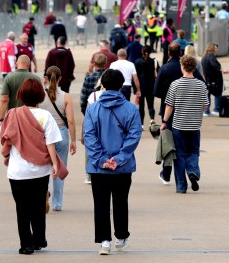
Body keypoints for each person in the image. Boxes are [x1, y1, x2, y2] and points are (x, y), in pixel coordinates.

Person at [0, 79, 63, 255]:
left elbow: (4, 139)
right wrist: (55, 165)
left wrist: (7, 156)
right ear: (40, 97)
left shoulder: (12, 114)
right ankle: (39, 240)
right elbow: (51, 144)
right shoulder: (45, 116)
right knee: (38, 206)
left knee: (22, 209)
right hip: (40, 171)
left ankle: (26, 244)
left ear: (20, 95)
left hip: (17, 171)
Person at [83, 69, 143, 255]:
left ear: (102, 84)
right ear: (121, 85)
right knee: (120, 201)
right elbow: (134, 135)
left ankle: (104, 241)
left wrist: (101, 160)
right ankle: (121, 236)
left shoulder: (93, 108)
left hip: (98, 167)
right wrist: (119, 159)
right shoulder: (131, 108)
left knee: (100, 204)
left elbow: (89, 136)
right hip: (122, 167)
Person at [161, 54, 209, 193]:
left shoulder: (175, 84)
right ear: (194, 68)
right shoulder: (201, 85)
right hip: (195, 125)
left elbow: (169, 105)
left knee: (179, 154)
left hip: (178, 125)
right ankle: (193, 171)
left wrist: (164, 121)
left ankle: (181, 186)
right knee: (194, 151)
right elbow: (205, 106)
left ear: (182, 67)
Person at [41, 66, 77, 211]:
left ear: (46, 78)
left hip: (44, 133)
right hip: (61, 131)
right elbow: (71, 120)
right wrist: (73, 140)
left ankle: (45, 192)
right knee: (60, 168)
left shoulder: (40, 95)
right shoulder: (66, 96)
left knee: (44, 168)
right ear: (60, 78)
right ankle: (57, 203)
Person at [0, 55, 41, 122]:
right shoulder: (36, 79)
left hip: (13, 116)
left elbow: (4, 99)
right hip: (31, 117)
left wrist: (1, 118)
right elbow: (39, 101)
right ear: (29, 65)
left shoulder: (8, 78)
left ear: (16, 63)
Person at [135, 46, 158, 125]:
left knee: (141, 106)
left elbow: (135, 76)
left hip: (141, 87)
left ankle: (141, 124)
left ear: (142, 52)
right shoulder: (154, 61)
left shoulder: (137, 62)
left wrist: (136, 89)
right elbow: (158, 74)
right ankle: (152, 119)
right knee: (151, 105)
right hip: (151, 86)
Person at [200, 43, 224, 116]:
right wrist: (221, 69)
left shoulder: (204, 57)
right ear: (212, 48)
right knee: (217, 94)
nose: (217, 50)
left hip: (207, 80)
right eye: (215, 48)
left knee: (207, 95)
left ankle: (206, 111)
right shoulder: (211, 56)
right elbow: (213, 64)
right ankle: (216, 109)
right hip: (215, 79)